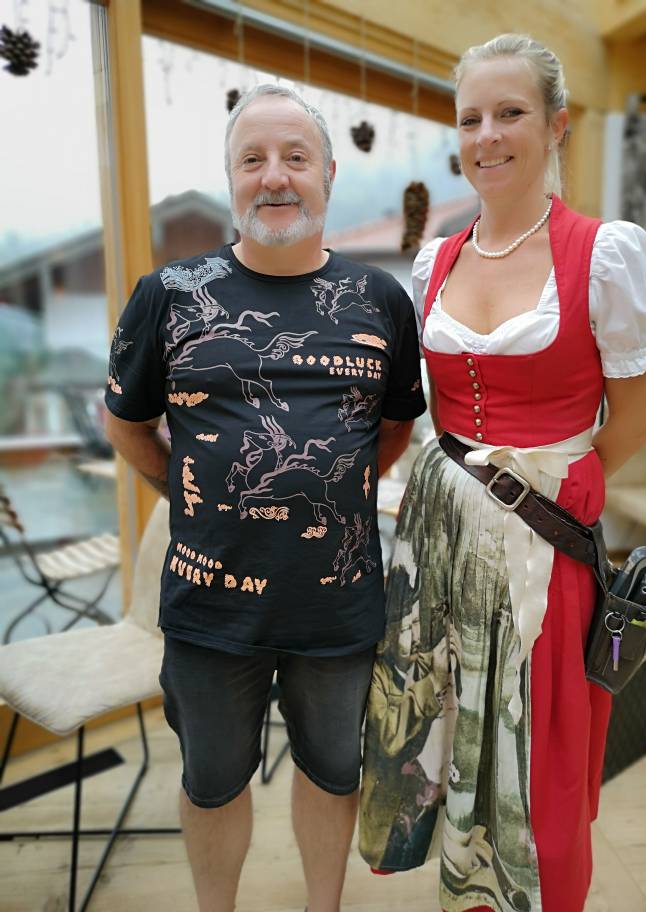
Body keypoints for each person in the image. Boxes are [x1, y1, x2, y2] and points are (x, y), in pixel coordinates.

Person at [359, 33, 646, 912]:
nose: (487, 135)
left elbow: (633, 422)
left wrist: (547, 488)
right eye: (470, 119)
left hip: (542, 546)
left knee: (538, 769)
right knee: (446, 739)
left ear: (557, 124)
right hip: (437, 540)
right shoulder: (437, 258)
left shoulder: (604, 254)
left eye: (510, 113)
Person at [103, 84, 426, 912]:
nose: (274, 176)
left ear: (326, 176)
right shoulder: (170, 293)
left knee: (333, 771)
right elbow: (127, 425)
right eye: (252, 159)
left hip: (338, 604)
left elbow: (394, 427)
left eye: (295, 157)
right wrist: (187, 491)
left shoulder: (380, 299)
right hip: (210, 606)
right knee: (212, 783)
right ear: (231, 177)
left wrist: (331, 490)